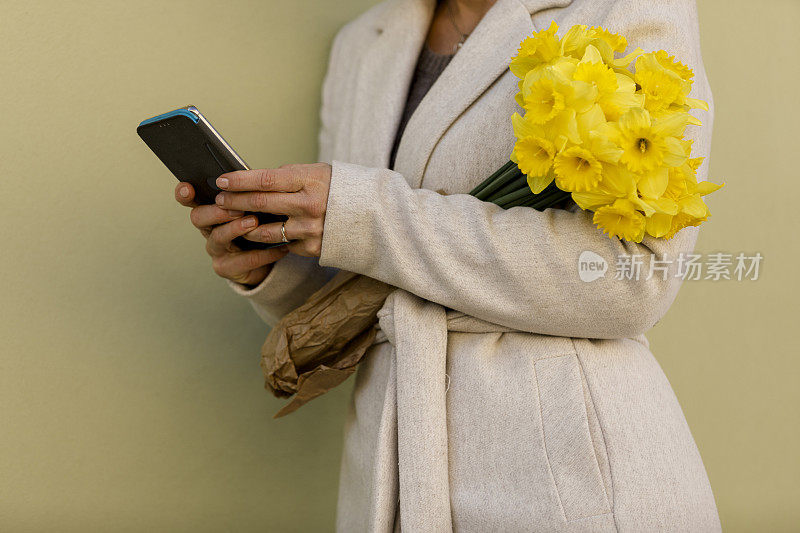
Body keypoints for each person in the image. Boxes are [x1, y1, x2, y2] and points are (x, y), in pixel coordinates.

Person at [174, 0, 721, 530]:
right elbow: (369, 282)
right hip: (389, 473)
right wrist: (270, 263)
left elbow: (633, 280)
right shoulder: (364, 43)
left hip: (567, 476)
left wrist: (359, 215)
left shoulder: (624, 7)